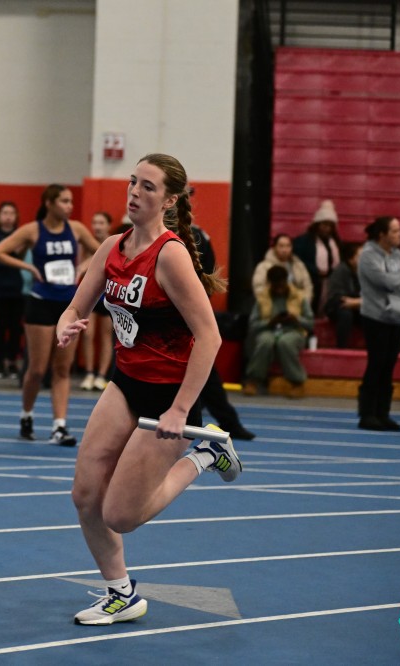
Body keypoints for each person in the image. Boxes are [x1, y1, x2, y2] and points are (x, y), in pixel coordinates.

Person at [55, 153, 241, 626]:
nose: (135, 192)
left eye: (149, 187)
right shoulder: (111, 247)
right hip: (126, 383)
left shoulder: (170, 255)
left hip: (168, 396)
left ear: (170, 200)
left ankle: (206, 454)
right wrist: (65, 324)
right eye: (133, 182)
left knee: (120, 515)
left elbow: (210, 336)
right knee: (85, 495)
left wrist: (180, 409)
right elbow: (77, 305)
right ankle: (121, 594)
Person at [0, 184, 100, 446]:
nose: (69, 206)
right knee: (37, 370)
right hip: (40, 303)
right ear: (49, 203)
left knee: (62, 369)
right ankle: (26, 414)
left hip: (68, 305)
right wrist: (27, 267)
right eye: (64, 201)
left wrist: (81, 268)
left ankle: (59, 426)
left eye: (70, 201)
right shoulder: (32, 230)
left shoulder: (76, 229)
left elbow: (101, 251)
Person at [189, 218, 256, 441]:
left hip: (186, 315)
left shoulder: (194, 237)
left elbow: (206, 275)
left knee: (204, 372)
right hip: (182, 313)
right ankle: (224, 421)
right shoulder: (190, 235)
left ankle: (224, 421)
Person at [357, 216, 400, 431]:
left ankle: (383, 413)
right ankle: (367, 413)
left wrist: (397, 281)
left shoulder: (399, 255)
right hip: (376, 316)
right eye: (395, 231)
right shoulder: (368, 256)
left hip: (396, 316)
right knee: (376, 363)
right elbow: (383, 280)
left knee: (389, 365)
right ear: (382, 234)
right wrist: (399, 281)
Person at [243, 265, 314, 398]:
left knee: (285, 343)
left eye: (281, 285)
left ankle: (297, 382)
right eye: (276, 286)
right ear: (270, 284)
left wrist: (296, 319)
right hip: (269, 330)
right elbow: (253, 324)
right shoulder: (262, 297)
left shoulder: (299, 296)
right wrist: (269, 322)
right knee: (265, 342)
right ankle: (253, 380)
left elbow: (310, 323)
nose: (279, 289)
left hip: (294, 331)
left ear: (286, 281)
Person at [0, 201, 25, 380]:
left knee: (16, 328)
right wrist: (11, 254)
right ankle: (0, 363)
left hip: (17, 288)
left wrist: (15, 254)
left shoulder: (19, 235)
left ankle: (12, 362)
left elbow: (23, 258)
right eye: (5, 213)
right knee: (1, 326)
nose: (8, 217)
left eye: (11, 213)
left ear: (16, 217)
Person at [78, 211, 114, 391]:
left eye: (101, 223)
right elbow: (81, 268)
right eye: (94, 223)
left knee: (106, 336)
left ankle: (101, 375)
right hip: (92, 295)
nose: (97, 227)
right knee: (87, 334)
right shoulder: (86, 244)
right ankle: (89, 373)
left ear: (108, 225)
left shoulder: (114, 243)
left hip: (109, 295)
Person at [292, 200, 341, 313]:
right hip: (309, 281)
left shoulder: (335, 242)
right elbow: (297, 259)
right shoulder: (304, 241)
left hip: (329, 283)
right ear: (317, 225)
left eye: (330, 226)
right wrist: (315, 270)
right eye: (324, 225)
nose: (327, 229)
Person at [251, 233, 313, 302]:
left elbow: (308, 285)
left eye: (288, 246)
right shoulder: (264, 266)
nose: (285, 250)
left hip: (297, 303)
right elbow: (259, 288)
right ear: (274, 248)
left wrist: (305, 303)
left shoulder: (298, 264)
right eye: (281, 246)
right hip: (274, 304)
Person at [323, 242, 362, 348]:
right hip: (337, 307)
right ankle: (341, 348)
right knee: (345, 314)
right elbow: (339, 298)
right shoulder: (340, 271)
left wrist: (356, 302)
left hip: (357, 306)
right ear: (351, 259)